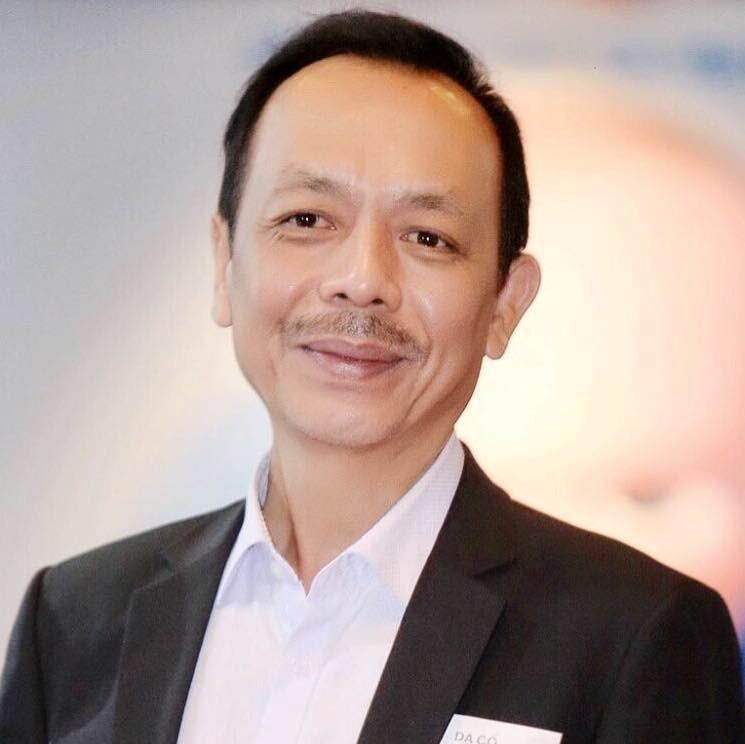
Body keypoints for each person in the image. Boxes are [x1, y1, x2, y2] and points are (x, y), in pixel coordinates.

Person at [1, 9, 743, 744]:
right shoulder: (74, 620)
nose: (361, 281)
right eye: (306, 220)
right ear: (224, 264)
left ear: (504, 304)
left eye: (428, 237)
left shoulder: (633, 637)